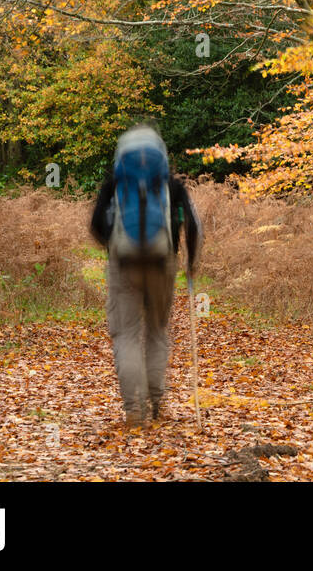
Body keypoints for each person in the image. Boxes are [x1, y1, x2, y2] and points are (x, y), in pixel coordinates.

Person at [89, 125, 202, 425]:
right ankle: (157, 402)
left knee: (125, 335)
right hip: (162, 262)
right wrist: (190, 264)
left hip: (123, 262)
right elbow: (193, 225)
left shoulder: (115, 182)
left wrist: (112, 246)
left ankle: (134, 410)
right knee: (156, 332)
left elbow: (97, 223)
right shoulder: (171, 183)